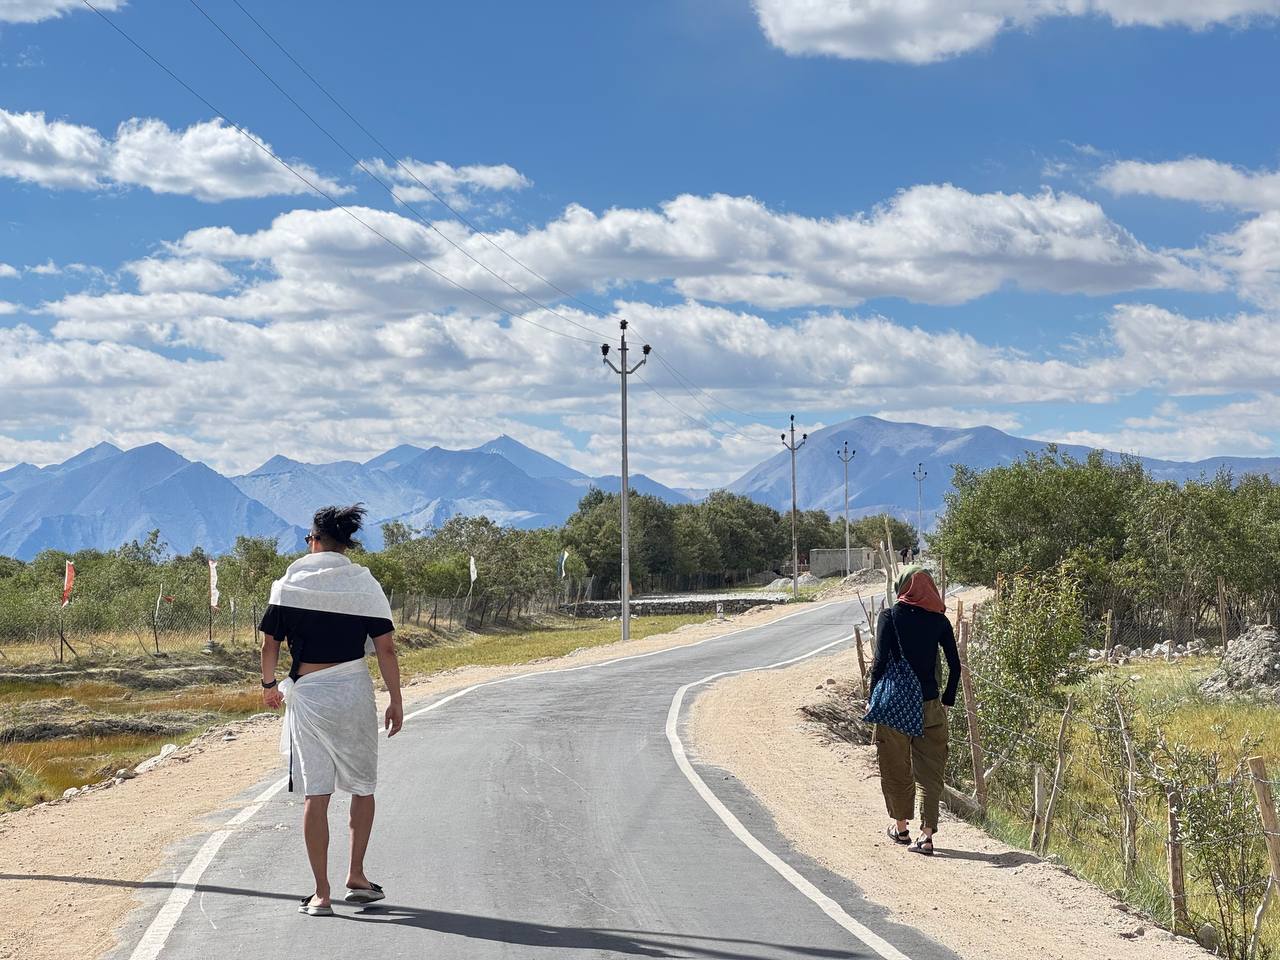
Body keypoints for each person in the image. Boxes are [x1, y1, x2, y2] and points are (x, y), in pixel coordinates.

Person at [259, 504, 403, 916]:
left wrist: (270, 686)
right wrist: (395, 698)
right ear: (345, 544)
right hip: (353, 692)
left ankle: (321, 894)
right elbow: (386, 648)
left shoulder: (289, 583)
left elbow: (270, 645)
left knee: (316, 793)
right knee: (362, 785)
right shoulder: (364, 584)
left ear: (315, 540)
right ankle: (356, 874)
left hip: (309, 696)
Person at [869, 564, 959, 856]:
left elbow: (880, 663)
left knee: (896, 765)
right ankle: (928, 836)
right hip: (930, 705)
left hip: (895, 705)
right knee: (930, 773)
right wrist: (946, 699)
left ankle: (901, 828)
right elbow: (955, 666)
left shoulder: (889, 617)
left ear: (902, 586)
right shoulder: (939, 621)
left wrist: (873, 698)